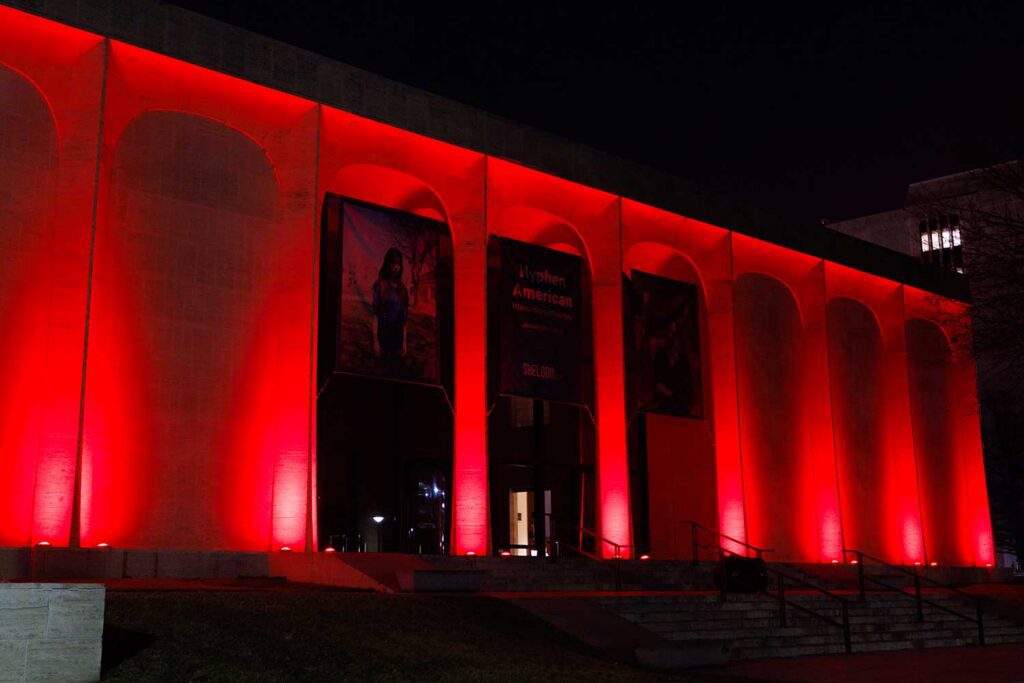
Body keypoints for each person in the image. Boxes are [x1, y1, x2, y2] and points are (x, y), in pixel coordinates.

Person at [372, 247, 409, 363]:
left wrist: (404, 342)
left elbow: (404, 320)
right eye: (393, 263)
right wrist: (375, 341)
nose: (396, 267)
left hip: (397, 342)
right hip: (383, 340)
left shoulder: (402, 289)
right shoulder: (380, 286)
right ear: (387, 264)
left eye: (398, 264)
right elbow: (375, 315)